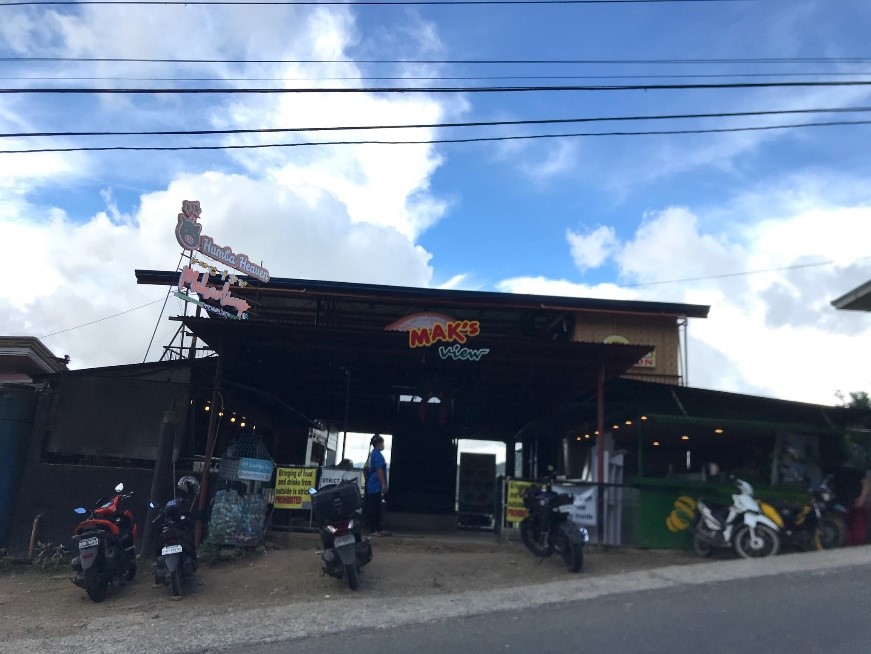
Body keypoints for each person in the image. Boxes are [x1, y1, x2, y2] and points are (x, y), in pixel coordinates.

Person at [829, 454, 871, 546]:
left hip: (854, 501)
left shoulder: (852, 471)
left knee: (857, 526)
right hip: (845, 502)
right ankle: (851, 545)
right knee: (847, 526)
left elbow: (865, 484)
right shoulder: (837, 472)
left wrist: (861, 498)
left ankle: (857, 545)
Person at [364, 434, 389, 536]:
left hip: (372, 484)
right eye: (382, 443)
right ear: (378, 444)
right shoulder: (377, 455)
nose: (383, 445)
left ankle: (378, 528)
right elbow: (379, 470)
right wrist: (383, 484)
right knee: (374, 508)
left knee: (377, 507)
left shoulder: (372, 454)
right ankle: (373, 529)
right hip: (375, 484)